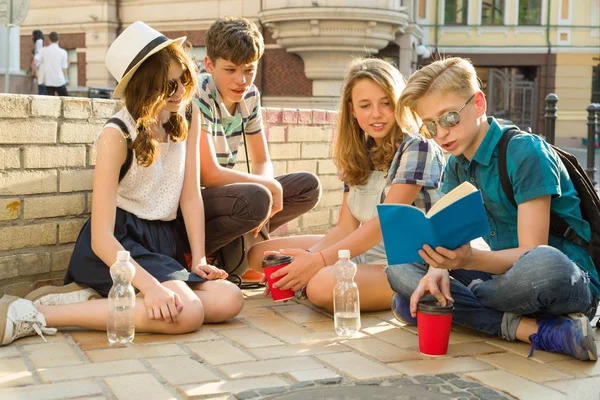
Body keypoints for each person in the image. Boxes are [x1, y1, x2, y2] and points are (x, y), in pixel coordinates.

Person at [0, 21, 243, 346]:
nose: (181, 92)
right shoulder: (117, 135)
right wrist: (152, 288)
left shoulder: (187, 115)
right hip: (118, 247)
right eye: (169, 85)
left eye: (184, 79)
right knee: (186, 313)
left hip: (162, 241)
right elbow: (101, 237)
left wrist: (199, 258)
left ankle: (90, 301)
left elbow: (190, 197)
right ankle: (33, 312)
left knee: (229, 299)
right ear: (145, 86)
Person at [386, 57, 599, 361]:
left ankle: (454, 307)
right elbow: (445, 236)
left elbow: (531, 252)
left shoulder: (525, 152)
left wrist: (470, 260)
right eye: (430, 126)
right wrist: (437, 267)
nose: (441, 134)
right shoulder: (457, 164)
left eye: (449, 118)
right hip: (506, 279)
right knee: (399, 268)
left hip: (564, 278)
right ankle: (533, 328)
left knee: (544, 264)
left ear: (479, 104)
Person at [246, 58, 446, 311]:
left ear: (399, 102)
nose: (376, 113)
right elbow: (345, 228)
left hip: (405, 264)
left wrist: (317, 261)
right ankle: (306, 276)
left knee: (321, 286)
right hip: (363, 252)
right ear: (352, 110)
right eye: (365, 105)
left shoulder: (418, 146)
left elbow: (385, 225)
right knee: (261, 256)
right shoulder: (360, 151)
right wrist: (304, 261)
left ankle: (408, 292)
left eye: (386, 103)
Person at [193, 17, 321, 284]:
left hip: (233, 198)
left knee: (308, 186)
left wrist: (268, 188)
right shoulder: (198, 94)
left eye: (249, 70)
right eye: (230, 70)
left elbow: (262, 159)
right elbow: (208, 175)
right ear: (209, 64)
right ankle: (207, 253)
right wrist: (266, 188)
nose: (241, 80)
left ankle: (241, 247)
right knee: (259, 196)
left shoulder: (250, 95)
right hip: (196, 203)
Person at [38, 32, 69, 96]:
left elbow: (35, 62)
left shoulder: (43, 50)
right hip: (60, 81)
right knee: (65, 100)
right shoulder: (63, 52)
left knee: (49, 103)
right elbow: (64, 69)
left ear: (49, 40)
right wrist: (66, 79)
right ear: (58, 40)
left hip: (48, 81)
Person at [31, 30, 46, 95]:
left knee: (41, 89)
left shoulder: (38, 42)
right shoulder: (41, 42)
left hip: (40, 68)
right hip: (42, 68)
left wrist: (35, 71)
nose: (32, 37)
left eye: (33, 35)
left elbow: (38, 57)